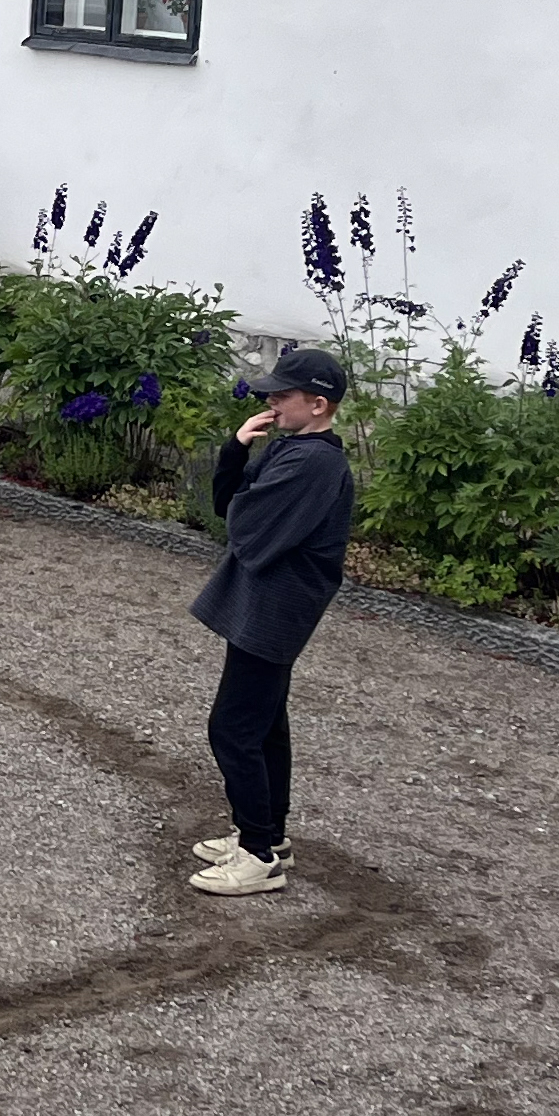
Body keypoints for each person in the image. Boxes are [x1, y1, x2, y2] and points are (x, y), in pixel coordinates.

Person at [184, 349, 357, 897]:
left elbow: (247, 525)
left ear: (318, 403)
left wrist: (243, 500)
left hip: (278, 605)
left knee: (232, 727)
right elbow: (226, 504)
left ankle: (258, 853)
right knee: (264, 724)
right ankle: (270, 835)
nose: (271, 402)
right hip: (268, 601)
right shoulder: (293, 449)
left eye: (282, 395)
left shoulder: (312, 463)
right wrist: (236, 448)